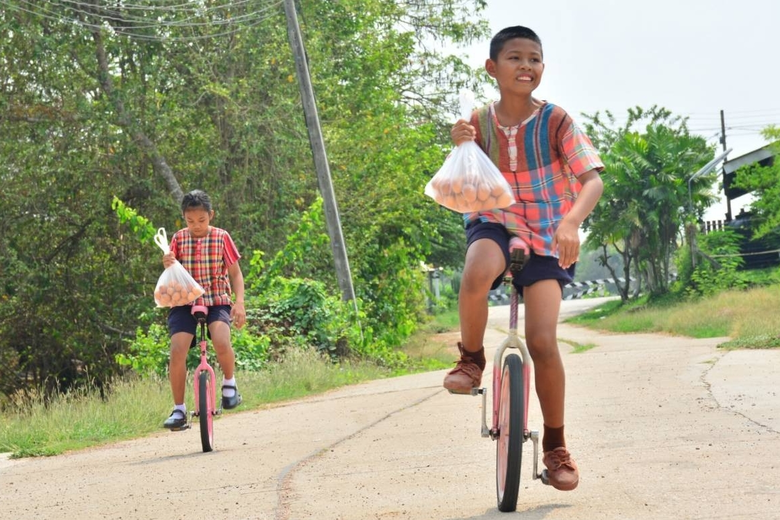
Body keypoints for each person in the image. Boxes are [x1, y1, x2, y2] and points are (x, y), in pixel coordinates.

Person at [442, 26, 604, 491]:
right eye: (515, 58)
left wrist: (571, 222)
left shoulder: (556, 121)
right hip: (495, 222)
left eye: (534, 59)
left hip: (550, 233)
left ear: (542, 69)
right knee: (475, 272)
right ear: (493, 68)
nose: (526, 66)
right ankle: (471, 359)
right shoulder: (478, 121)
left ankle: (555, 446)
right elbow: (464, 177)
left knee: (543, 340)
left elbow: (592, 180)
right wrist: (460, 144)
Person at [162, 190, 247, 430]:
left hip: (216, 299)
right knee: (177, 350)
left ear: (211, 215)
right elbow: (171, 272)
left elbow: (235, 273)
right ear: (183, 218)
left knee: (221, 340)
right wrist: (167, 263)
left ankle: (229, 384)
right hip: (184, 301)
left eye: (201, 220)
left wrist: (238, 302)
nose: (196, 226)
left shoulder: (222, 237)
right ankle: (178, 410)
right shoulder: (178, 239)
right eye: (190, 221)